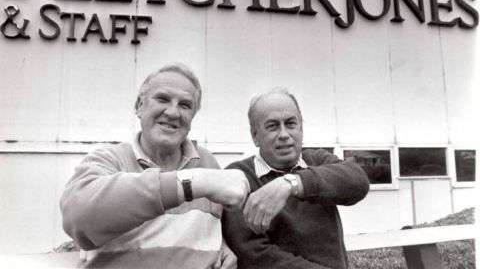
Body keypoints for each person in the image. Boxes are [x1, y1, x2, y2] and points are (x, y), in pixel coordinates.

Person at [60, 63, 250, 269]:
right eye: (162, 99)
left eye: (185, 105)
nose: (172, 112)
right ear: (139, 106)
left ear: (193, 116)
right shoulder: (109, 159)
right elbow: (78, 218)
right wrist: (191, 183)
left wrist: (221, 244)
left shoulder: (207, 162)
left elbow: (204, 227)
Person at [222, 88, 370, 269]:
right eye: (272, 126)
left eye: (291, 123)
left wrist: (292, 183)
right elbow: (254, 255)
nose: (284, 134)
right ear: (255, 136)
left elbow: (358, 182)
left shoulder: (316, 160)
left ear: (301, 127)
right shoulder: (238, 177)